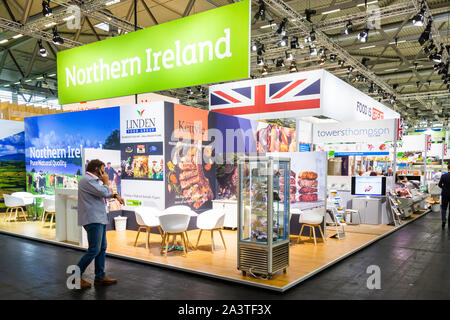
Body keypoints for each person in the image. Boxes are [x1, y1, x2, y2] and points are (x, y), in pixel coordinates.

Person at [76, 159, 125, 289]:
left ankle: (100, 276)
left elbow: (104, 192)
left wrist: (115, 195)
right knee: (94, 249)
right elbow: (103, 192)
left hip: (99, 218)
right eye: (102, 169)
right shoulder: (87, 180)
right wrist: (106, 181)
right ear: (97, 169)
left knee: (102, 248)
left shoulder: (92, 180)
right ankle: (75, 276)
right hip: (93, 219)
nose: (104, 172)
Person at [438, 163, 450, 229]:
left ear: (448, 168)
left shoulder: (443, 176)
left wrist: (444, 188)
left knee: (444, 208)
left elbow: (439, 185)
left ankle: (443, 220)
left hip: (445, 194)